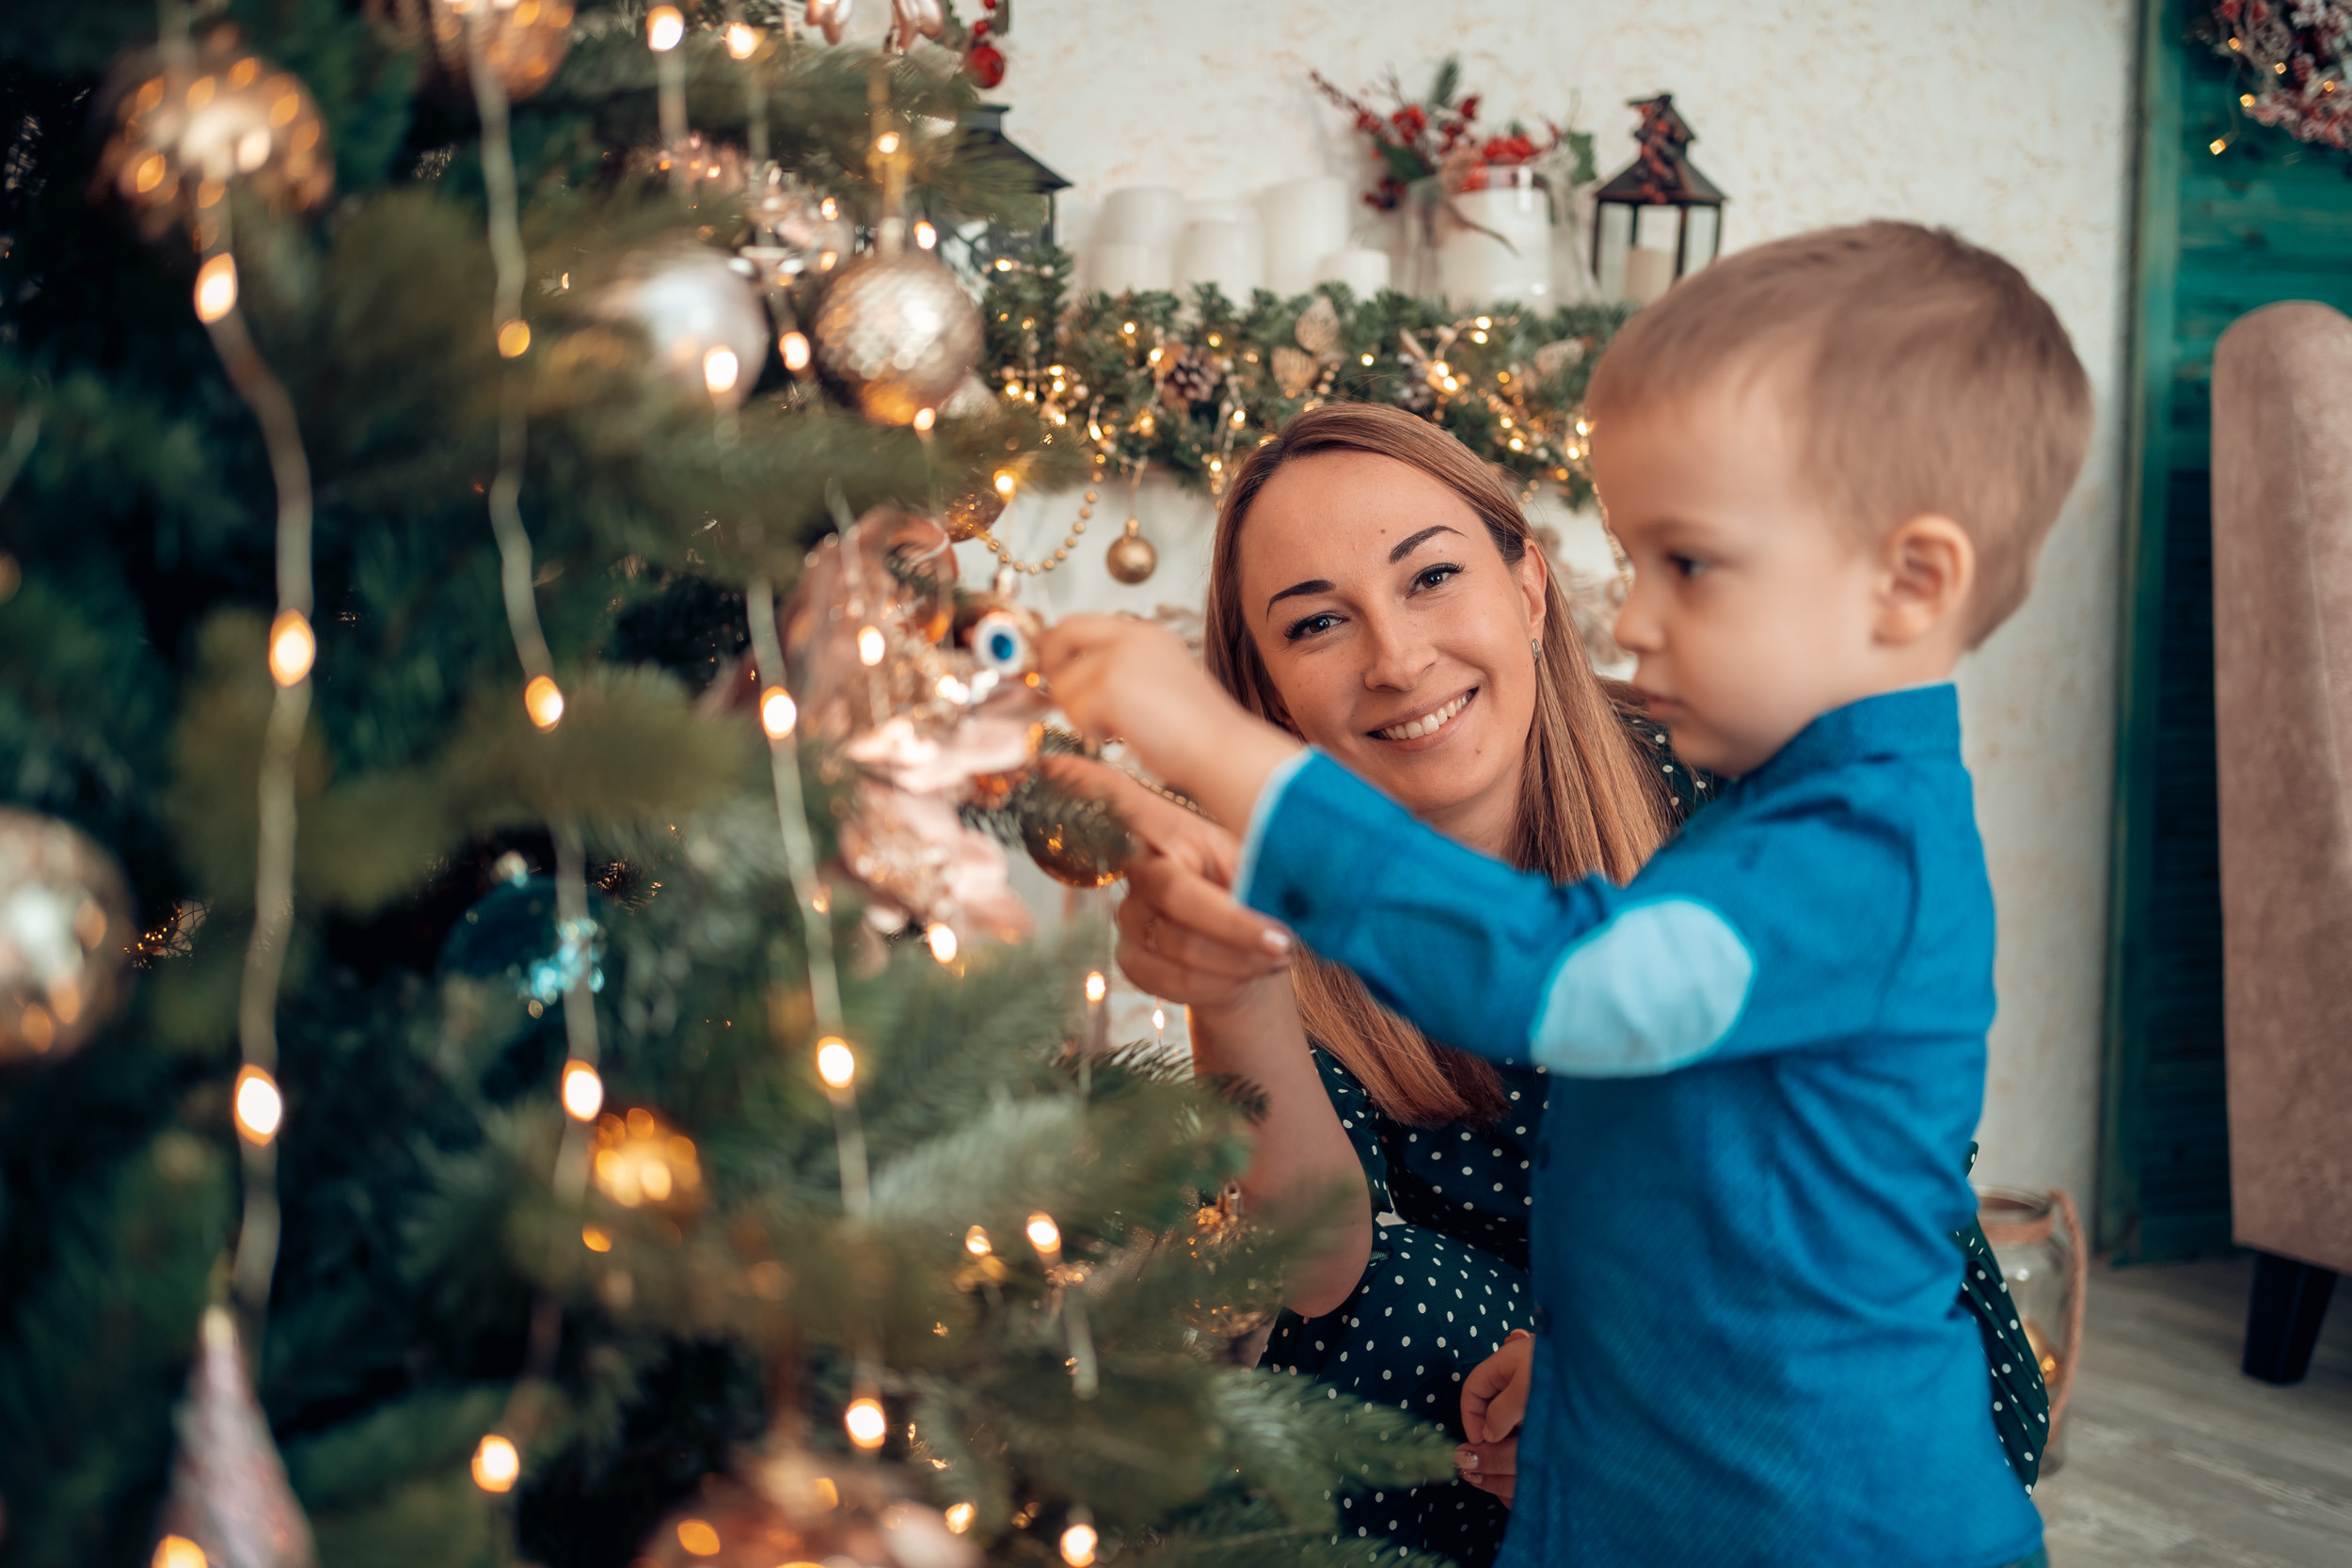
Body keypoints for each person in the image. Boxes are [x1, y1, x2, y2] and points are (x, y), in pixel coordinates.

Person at [1041, 222, 2086, 1568]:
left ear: (1911, 581)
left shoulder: (1849, 852)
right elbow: (1321, 1264)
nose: (1633, 619)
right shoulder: (1784, 798)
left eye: (1687, 565)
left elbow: (1572, 985)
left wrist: (1200, 745)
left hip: (1824, 1515)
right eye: (1315, 621)